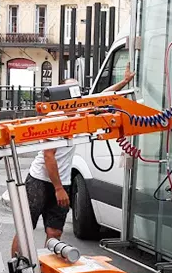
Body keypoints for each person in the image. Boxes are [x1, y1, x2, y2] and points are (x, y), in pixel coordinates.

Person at [11, 69, 135, 257]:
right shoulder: (54, 118)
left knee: (54, 233)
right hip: (40, 180)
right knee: (26, 229)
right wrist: (58, 188)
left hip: (62, 182)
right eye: (69, 91)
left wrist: (124, 82)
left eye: (76, 91)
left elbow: (102, 97)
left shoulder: (81, 113)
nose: (74, 96)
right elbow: (48, 156)